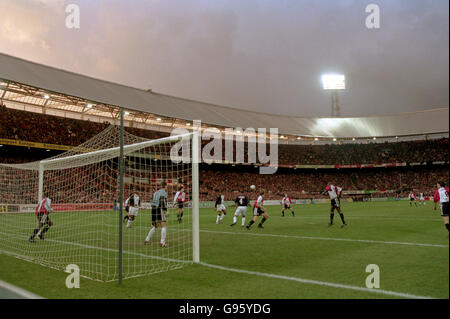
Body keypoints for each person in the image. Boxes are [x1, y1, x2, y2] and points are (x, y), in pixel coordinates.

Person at [145, 181, 169, 247]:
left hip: (153, 209)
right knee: (164, 225)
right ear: (166, 186)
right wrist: (166, 210)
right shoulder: (164, 193)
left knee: (155, 226)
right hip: (159, 208)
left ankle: (147, 239)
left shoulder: (156, 192)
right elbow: (162, 202)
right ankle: (162, 242)